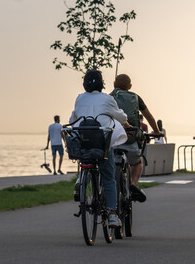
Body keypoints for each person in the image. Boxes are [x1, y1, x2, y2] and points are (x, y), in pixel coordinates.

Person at [68, 69, 128, 228]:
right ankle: (113, 215)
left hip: (84, 141)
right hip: (102, 143)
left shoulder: (79, 98)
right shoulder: (107, 99)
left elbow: (73, 118)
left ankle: (82, 178)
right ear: (102, 83)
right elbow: (121, 118)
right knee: (108, 178)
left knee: (85, 158)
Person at [110, 73, 162, 203]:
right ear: (130, 86)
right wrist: (156, 131)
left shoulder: (109, 97)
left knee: (108, 161)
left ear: (114, 84)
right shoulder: (136, 97)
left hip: (113, 138)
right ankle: (133, 184)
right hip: (131, 137)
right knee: (137, 162)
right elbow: (149, 116)